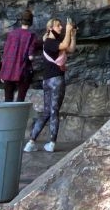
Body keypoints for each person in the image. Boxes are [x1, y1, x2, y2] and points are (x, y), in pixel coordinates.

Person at [24, 17, 76, 153]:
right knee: (53, 112)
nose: (61, 27)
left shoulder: (52, 41)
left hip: (47, 80)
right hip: (56, 80)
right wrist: (68, 31)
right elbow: (65, 46)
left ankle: (31, 142)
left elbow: (70, 48)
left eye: (61, 26)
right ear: (50, 28)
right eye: (58, 26)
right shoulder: (50, 42)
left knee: (47, 112)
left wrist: (72, 35)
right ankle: (51, 143)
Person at [0, 11, 38, 102]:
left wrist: (2, 72)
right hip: (22, 71)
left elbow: (5, 53)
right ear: (31, 22)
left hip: (8, 70)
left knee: (8, 100)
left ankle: (8, 116)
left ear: (21, 21)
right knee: (20, 99)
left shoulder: (11, 34)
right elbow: (30, 57)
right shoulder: (31, 36)